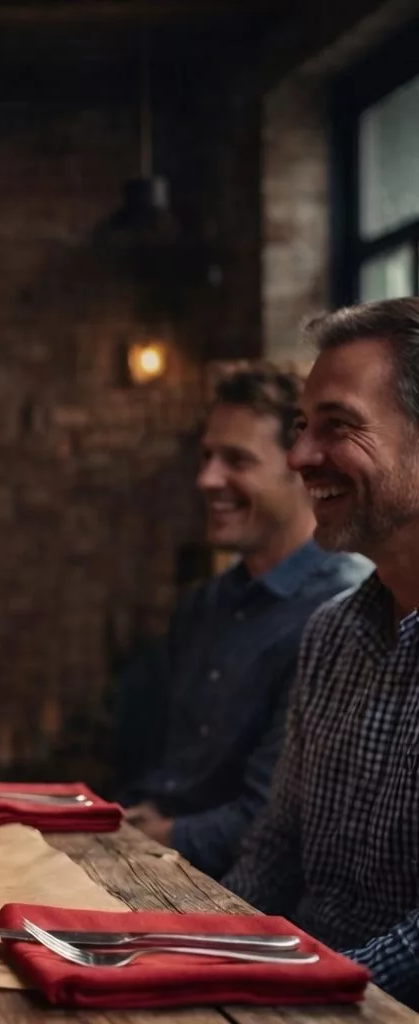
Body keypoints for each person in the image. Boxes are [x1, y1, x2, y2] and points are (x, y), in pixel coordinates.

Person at [222, 297, 419, 1007]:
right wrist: (199, 952)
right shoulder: (331, 633)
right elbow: (275, 850)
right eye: (304, 427)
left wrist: (288, 993)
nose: (300, 457)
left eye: (338, 426)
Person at [113, 368, 369, 878]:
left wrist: (148, 837)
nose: (207, 479)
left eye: (237, 460)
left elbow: (278, 821)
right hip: (153, 856)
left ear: (301, 470)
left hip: (225, 885)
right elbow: (167, 770)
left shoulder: (339, 611)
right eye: (207, 456)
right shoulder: (205, 604)